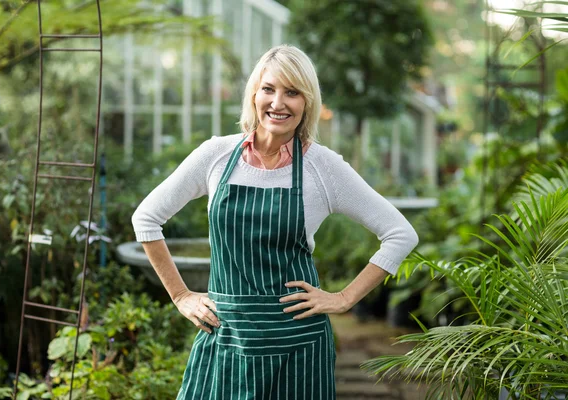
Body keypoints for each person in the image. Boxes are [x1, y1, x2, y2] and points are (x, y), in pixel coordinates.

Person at [131, 44, 419, 399]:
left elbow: (400, 234)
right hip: (226, 337)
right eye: (269, 89)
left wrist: (344, 298)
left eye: (292, 92)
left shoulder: (323, 168)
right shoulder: (216, 156)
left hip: (297, 346)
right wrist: (180, 295)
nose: (278, 103)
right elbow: (146, 218)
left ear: (307, 102)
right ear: (254, 94)